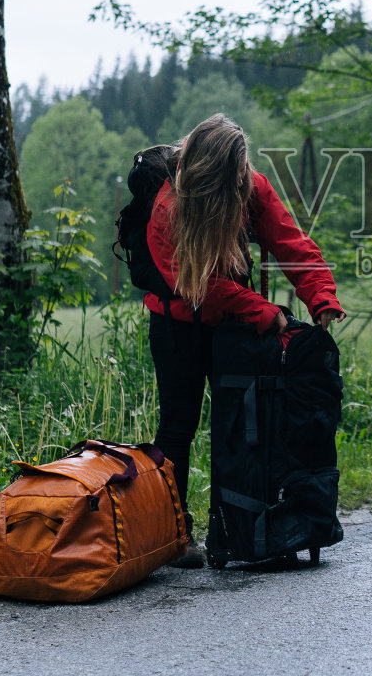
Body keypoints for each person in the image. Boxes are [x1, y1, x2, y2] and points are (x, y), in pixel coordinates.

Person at [144, 113, 344, 568]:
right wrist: (266, 313)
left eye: (244, 170)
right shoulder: (167, 210)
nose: (243, 178)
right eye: (234, 171)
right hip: (177, 323)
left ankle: (242, 526)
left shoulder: (247, 184)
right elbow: (198, 285)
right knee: (178, 426)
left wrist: (321, 296)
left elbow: (292, 242)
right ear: (210, 170)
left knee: (248, 420)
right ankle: (175, 536)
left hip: (232, 323)